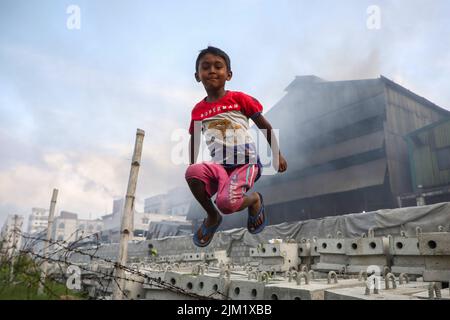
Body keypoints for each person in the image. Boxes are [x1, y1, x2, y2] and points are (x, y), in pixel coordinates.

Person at [185, 46, 287, 247]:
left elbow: (264, 126)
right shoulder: (198, 110)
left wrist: (277, 154)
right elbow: (194, 138)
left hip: (245, 164)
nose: (212, 71)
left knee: (226, 203)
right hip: (219, 167)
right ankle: (212, 216)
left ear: (228, 75)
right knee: (191, 172)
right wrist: (192, 163)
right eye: (206, 67)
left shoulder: (239, 99)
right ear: (198, 76)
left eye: (218, 66)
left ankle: (255, 200)